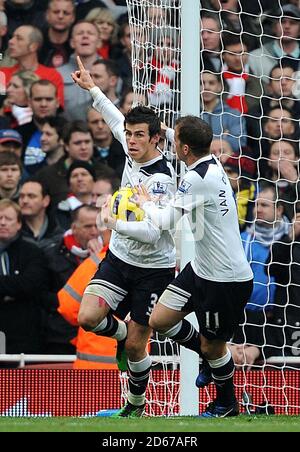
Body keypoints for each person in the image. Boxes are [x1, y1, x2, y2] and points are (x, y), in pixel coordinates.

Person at [73, 56, 186, 418]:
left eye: (139, 135)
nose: (131, 140)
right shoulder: (130, 144)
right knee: (87, 317)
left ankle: (134, 407)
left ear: (157, 138)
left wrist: (112, 222)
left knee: (140, 346)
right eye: (129, 134)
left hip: (153, 269)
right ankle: (119, 336)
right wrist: (91, 87)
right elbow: (111, 115)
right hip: (120, 259)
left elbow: (155, 234)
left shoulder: (164, 180)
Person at [130, 116, 254, 417]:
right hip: (201, 267)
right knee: (159, 319)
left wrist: (145, 201)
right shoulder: (209, 162)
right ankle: (212, 362)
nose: (171, 144)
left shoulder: (196, 179)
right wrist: (156, 125)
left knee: (214, 348)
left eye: (175, 142)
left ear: (185, 149)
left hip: (224, 279)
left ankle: (226, 404)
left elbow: (163, 222)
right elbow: (183, 136)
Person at [0, 199, 49, 355]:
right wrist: (12, 288)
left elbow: (30, 284)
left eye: (8, 219)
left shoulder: (32, 252)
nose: (2, 223)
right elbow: (20, 285)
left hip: (24, 335)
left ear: (19, 224)